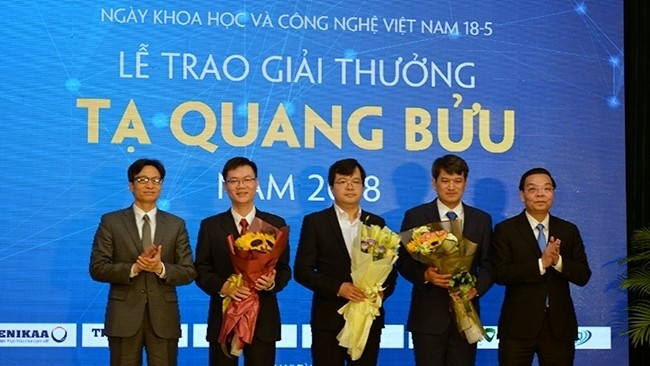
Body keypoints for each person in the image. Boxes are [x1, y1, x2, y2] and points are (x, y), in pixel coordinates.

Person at [89, 158, 197, 366]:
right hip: (123, 318)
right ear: (131, 185)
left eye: (156, 180)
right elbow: (97, 268)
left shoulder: (176, 224)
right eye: (143, 179)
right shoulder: (111, 222)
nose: (150, 185)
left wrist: (161, 268)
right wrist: (134, 268)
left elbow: (188, 271)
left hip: (164, 319)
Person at [294, 158, 398, 366]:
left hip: (368, 317)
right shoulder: (316, 222)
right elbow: (302, 271)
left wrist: (380, 293)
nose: (349, 187)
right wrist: (338, 288)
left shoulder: (377, 223)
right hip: (329, 320)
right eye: (342, 181)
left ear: (363, 186)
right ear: (331, 187)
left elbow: (390, 269)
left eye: (355, 181)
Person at [396, 154, 493, 366]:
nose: (451, 187)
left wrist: (476, 288)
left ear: (466, 183)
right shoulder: (416, 216)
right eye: (445, 180)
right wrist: (425, 275)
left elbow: (489, 263)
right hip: (428, 317)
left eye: (457, 181)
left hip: (466, 316)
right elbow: (402, 261)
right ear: (434, 182)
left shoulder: (481, 219)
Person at [194, 156, 291, 366]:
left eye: (247, 179)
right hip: (224, 319)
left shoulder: (273, 224)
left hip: (263, 321)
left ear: (256, 183)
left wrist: (272, 282)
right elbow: (201, 269)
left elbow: (284, 269)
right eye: (234, 181)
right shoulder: (211, 226)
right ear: (225, 186)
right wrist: (224, 287)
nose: (241, 186)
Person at [491, 167, 591, 365]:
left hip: (559, 328)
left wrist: (557, 261)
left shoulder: (568, 230)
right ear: (522, 195)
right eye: (532, 189)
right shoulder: (506, 230)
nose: (540, 194)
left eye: (547, 189)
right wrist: (540, 263)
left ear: (553, 194)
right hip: (518, 326)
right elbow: (500, 273)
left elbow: (583, 275)